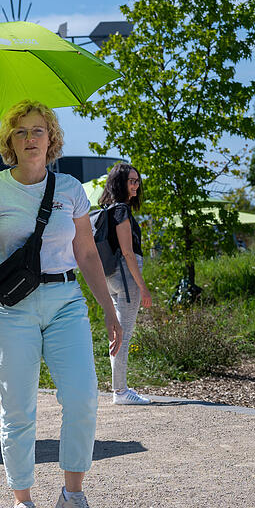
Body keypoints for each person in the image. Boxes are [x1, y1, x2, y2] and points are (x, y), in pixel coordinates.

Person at [0, 99, 122, 508]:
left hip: (65, 300)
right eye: (21, 132)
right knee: (19, 407)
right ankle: (23, 502)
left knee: (82, 396)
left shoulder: (71, 187)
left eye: (38, 130)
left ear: (51, 138)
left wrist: (109, 310)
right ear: (9, 142)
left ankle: (73, 498)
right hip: (10, 307)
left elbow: (86, 252)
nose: (31, 138)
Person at [98, 163, 153, 405]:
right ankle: (120, 391)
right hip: (126, 278)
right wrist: (143, 287)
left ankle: (119, 389)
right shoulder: (121, 211)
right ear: (119, 183)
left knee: (117, 336)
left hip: (111, 278)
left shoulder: (108, 209)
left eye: (137, 181)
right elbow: (128, 253)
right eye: (131, 180)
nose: (135, 185)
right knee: (124, 336)